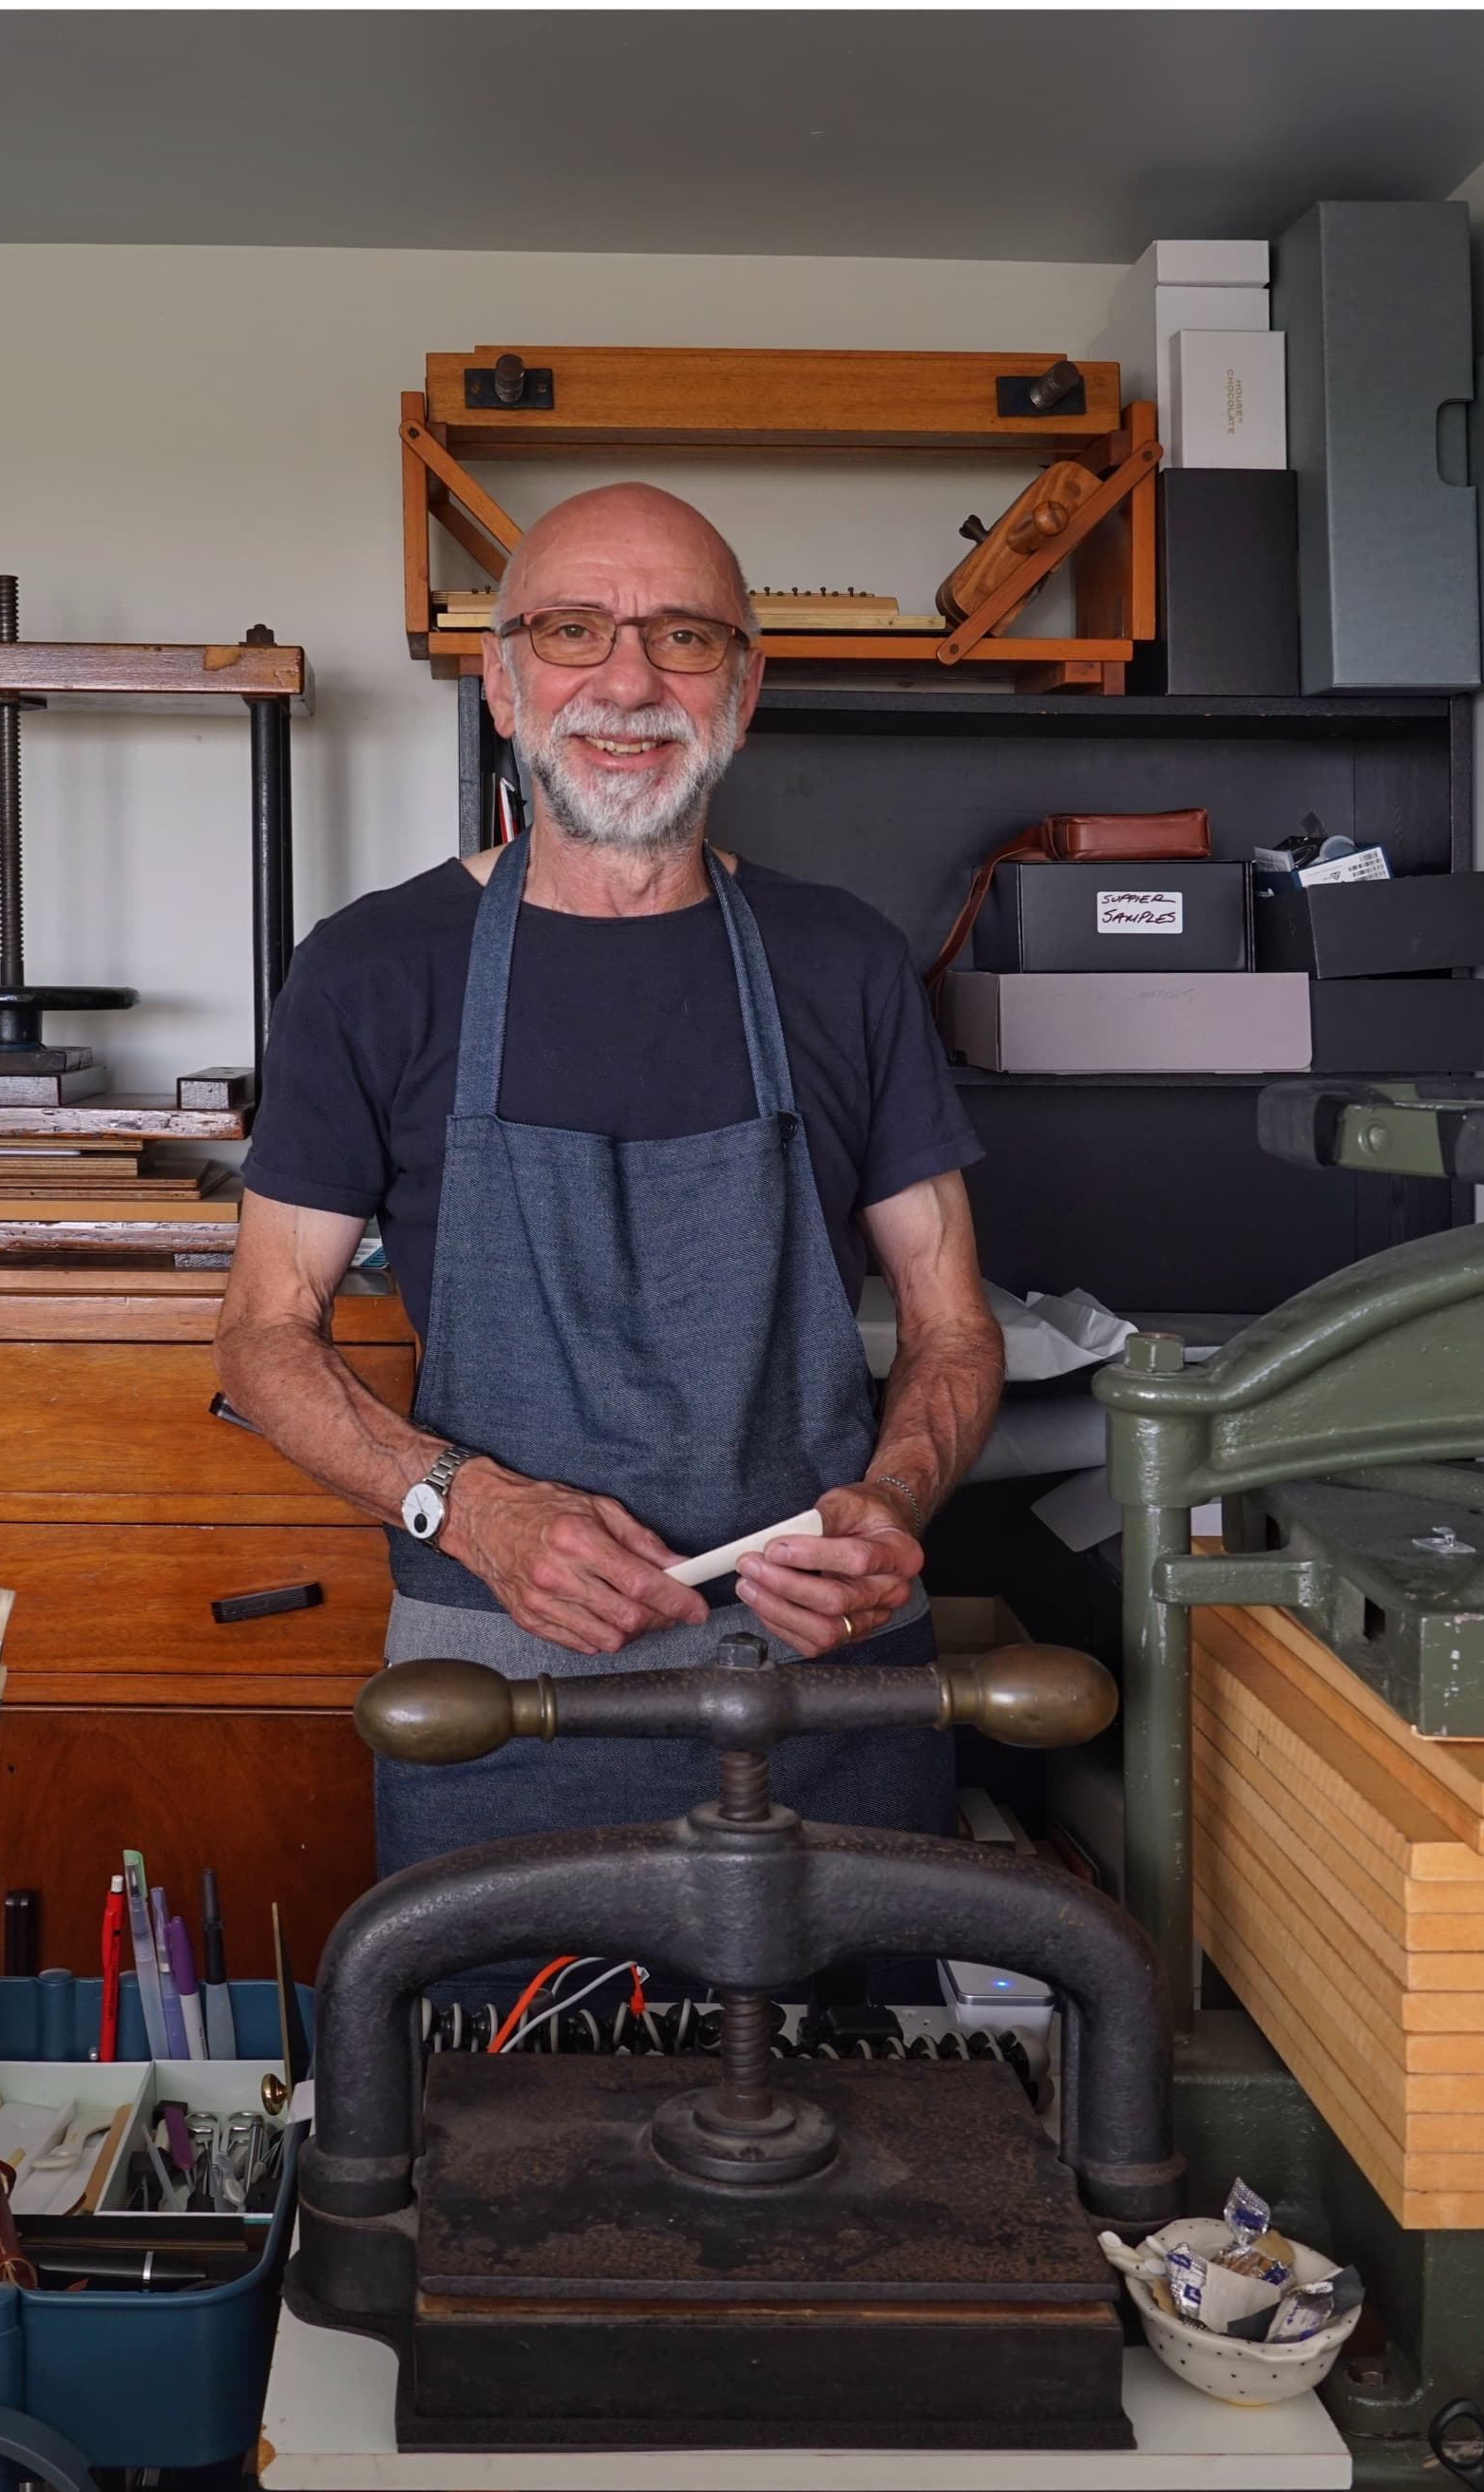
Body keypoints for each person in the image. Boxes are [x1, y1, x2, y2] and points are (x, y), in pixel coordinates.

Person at [216, 482, 1004, 1905]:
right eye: (575, 631)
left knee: (871, 2108)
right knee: (500, 2100)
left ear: (744, 690)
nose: (629, 682)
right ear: (504, 684)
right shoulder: (375, 968)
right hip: (504, 1697)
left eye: (685, 640)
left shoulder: (845, 963)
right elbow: (264, 1336)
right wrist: (472, 1508)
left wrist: (893, 1502)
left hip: (828, 1694)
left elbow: (952, 1331)